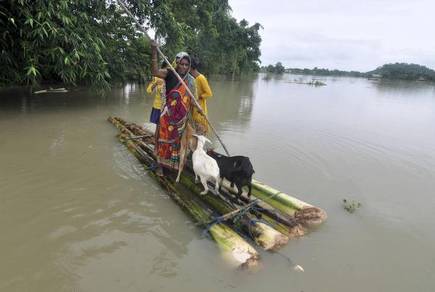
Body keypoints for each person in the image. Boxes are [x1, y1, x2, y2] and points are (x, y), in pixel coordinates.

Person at [150, 41, 196, 175]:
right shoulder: (169, 73)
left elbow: (192, 100)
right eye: (181, 63)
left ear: (189, 66)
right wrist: (154, 51)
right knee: (164, 140)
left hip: (181, 119)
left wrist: (198, 110)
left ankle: (171, 166)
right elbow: (154, 71)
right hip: (167, 116)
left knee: (176, 143)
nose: (184, 66)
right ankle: (159, 164)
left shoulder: (191, 81)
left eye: (186, 64)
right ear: (176, 63)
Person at [190, 57, 213, 135]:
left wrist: (198, 97)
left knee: (200, 132)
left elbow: (209, 93)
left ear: (190, 67)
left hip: (200, 108)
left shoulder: (201, 78)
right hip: (193, 108)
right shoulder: (192, 79)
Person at [146, 61, 167, 126]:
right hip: (158, 105)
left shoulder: (170, 78)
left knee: (166, 124)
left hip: (166, 106)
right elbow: (148, 91)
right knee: (158, 124)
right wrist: (155, 84)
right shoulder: (157, 78)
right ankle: (157, 135)